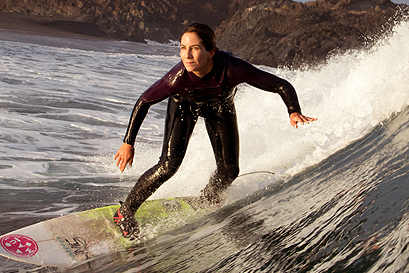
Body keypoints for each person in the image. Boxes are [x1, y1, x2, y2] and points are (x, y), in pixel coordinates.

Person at [113, 23, 316, 239]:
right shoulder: (177, 79)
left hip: (220, 107)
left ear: (211, 52)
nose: (187, 55)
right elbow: (144, 101)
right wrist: (128, 142)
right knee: (168, 165)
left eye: (195, 48)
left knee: (230, 170)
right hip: (184, 106)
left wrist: (293, 111)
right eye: (183, 48)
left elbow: (280, 84)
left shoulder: (232, 68)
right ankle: (124, 213)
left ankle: (208, 198)